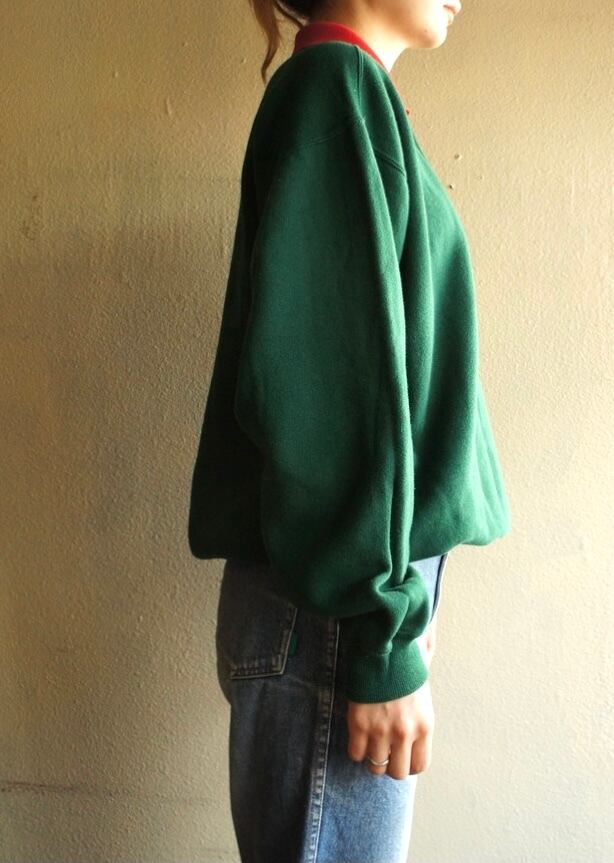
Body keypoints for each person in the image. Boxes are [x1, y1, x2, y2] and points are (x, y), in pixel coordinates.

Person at [187, 1, 512, 860]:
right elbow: (333, 391)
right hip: (336, 609)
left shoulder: (351, 94)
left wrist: (390, 611)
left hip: (344, 602)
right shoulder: (332, 89)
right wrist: (380, 628)